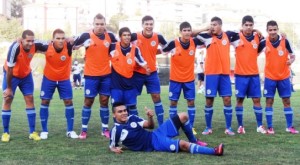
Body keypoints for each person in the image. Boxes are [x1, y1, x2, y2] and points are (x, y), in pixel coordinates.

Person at [109, 102, 223, 156]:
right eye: (120, 111)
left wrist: (150, 117)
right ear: (114, 115)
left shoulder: (132, 118)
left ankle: (194, 140)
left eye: (125, 110)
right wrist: (114, 149)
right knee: (183, 144)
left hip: (156, 133)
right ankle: (214, 151)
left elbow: (150, 126)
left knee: (183, 116)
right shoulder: (116, 130)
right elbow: (111, 146)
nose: (124, 113)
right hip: (154, 143)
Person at [73, 13, 118, 139]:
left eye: (102, 24)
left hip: (106, 75)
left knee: (104, 101)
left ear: (105, 25)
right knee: (88, 101)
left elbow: (121, 45)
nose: (99, 26)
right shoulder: (86, 35)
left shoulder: (110, 36)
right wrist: (82, 44)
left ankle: (105, 129)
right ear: (93, 24)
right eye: (97, 24)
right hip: (91, 75)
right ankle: (84, 130)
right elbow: (72, 46)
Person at [194, 17, 239, 135]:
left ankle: (228, 128)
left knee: (227, 99)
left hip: (224, 74)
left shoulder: (228, 35)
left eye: (214, 25)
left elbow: (244, 32)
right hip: (211, 74)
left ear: (220, 25)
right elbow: (191, 33)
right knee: (209, 100)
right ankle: (208, 127)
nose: (212, 27)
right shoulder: (206, 37)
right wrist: (204, 28)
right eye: (211, 24)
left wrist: (256, 30)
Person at [1, 30, 47, 142]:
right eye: (28, 41)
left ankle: (32, 132)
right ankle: (6, 133)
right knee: (7, 99)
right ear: (22, 40)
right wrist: (9, 88)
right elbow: (10, 68)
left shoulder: (35, 45)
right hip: (11, 75)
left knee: (30, 99)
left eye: (32, 40)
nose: (30, 43)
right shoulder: (15, 48)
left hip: (26, 75)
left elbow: (50, 43)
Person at [162, 22, 205, 135]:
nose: (186, 33)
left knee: (191, 102)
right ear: (180, 32)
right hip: (175, 80)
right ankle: (172, 127)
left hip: (189, 79)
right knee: (173, 103)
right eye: (184, 30)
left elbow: (206, 37)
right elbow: (162, 50)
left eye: (188, 30)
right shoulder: (173, 43)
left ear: (191, 32)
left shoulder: (194, 42)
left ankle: (190, 127)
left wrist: (199, 30)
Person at [38, 29, 79, 139]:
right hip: (49, 78)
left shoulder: (69, 45)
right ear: (52, 39)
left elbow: (84, 37)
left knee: (68, 101)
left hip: (64, 79)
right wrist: (20, 40)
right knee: (45, 101)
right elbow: (31, 44)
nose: (61, 40)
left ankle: (70, 131)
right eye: (58, 38)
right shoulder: (46, 46)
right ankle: (44, 131)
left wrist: (73, 37)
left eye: (62, 38)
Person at [261, 20, 298, 134]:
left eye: (274, 29)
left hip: (284, 77)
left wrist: (291, 60)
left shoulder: (285, 41)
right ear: (267, 31)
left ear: (277, 29)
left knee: (286, 101)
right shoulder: (263, 42)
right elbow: (254, 52)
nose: (272, 32)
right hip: (269, 77)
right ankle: (270, 127)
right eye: (270, 30)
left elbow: (292, 55)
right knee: (269, 101)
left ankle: (289, 127)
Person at [131, 15, 168, 125]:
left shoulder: (158, 37)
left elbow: (166, 47)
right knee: (132, 98)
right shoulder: (134, 36)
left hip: (151, 72)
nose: (149, 26)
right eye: (146, 24)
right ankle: (135, 124)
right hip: (136, 72)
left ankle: (161, 125)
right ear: (142, 25)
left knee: (156, 96)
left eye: (151, 24)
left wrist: (156, 52)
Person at [233, 15, 266, 134]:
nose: (248, 27)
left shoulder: (257, 37)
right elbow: (227, 33)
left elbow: (265, 41)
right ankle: (241, 126)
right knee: (239, 100)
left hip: (253, 75)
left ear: (253, 26)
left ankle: (259, 126)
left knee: (257, 99)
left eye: (251, 25)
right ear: (242, 26)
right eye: (246, 25)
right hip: (240, 75)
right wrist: (239, 29)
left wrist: (259, 31)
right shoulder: (236, 37)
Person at [109, 27, 150, 114]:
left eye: (128, 35)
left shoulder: (135, 49)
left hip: (129, 83)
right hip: (116, 84)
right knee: (117, 107)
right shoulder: (112, 47)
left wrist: (147, 68)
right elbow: (103, 56)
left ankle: (134, 125)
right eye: (124, 35)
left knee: (132, 106)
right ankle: (119, 126)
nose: (127, 37)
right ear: (120, 37)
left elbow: (142, 61)